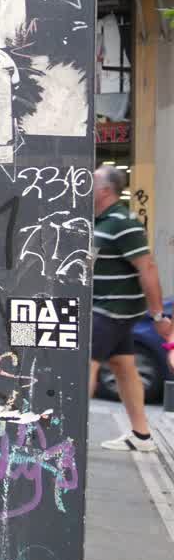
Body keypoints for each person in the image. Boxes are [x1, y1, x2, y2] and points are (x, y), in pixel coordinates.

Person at [89, 166, 173, 452]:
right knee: (124, 368)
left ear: (104, 190)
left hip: (110, 310)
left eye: (92, 181)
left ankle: (68, 437)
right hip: (111, 309)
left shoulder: (123, 223)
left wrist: (158, 314)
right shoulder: (101, 221)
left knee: (82, 368)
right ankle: (142, 435)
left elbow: (147, 267)